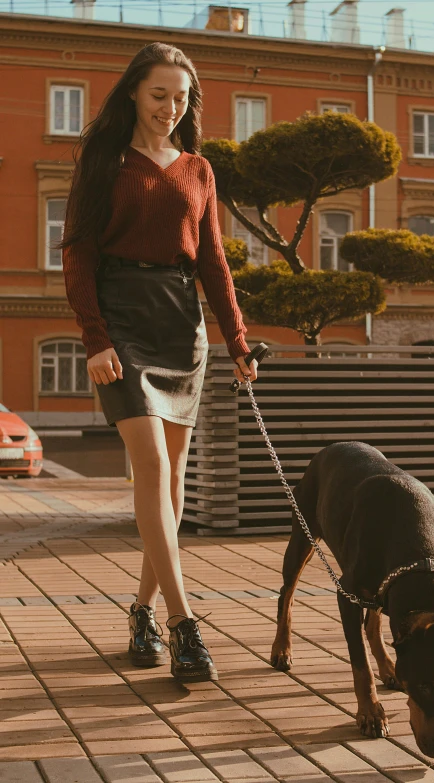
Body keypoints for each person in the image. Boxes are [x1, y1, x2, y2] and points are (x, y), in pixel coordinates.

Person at [57, 41, 258, 684]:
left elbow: (214, 262)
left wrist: (238, 342)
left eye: (181, 97)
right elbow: (79, 253)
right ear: (134, 94)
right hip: (121, 317)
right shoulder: (104, 160)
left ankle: (141, 607)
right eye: (158, 94)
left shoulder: (198, 170)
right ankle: (183, 622)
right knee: (148, 465)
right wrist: (94, 338)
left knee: (170, 479)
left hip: (180, 323)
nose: (170, 107)